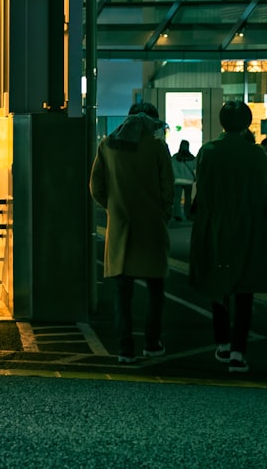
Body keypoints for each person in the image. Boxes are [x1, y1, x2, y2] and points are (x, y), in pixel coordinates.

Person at [189, 101, 267, 374]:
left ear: (222, 121)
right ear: (248, 122)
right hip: (248, 227)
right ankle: (239, 352)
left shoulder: (208, 152)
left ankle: (222, 343)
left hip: (215, 225)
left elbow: (201, 191)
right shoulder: (257, 156)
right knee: (244, 289)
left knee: (219, 285)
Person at [89, 102, 174, 364]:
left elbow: (96, 187)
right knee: (155, 290)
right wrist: (163, 213)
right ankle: (152, 342)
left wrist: (113, 207)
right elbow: (167, 190)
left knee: (122, 294)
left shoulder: (107, 146)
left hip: (120, 230)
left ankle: (125, 349)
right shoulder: (158, 147)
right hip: (151, 229)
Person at [171, 140, 196, 222]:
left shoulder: (175, 157)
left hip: (177, 180)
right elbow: (195, 168)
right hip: (189, 181)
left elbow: (172, 168)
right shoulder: (192, 157)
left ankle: (177, 215)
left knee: (177, 198)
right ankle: (187, 214)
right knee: (188, 198)